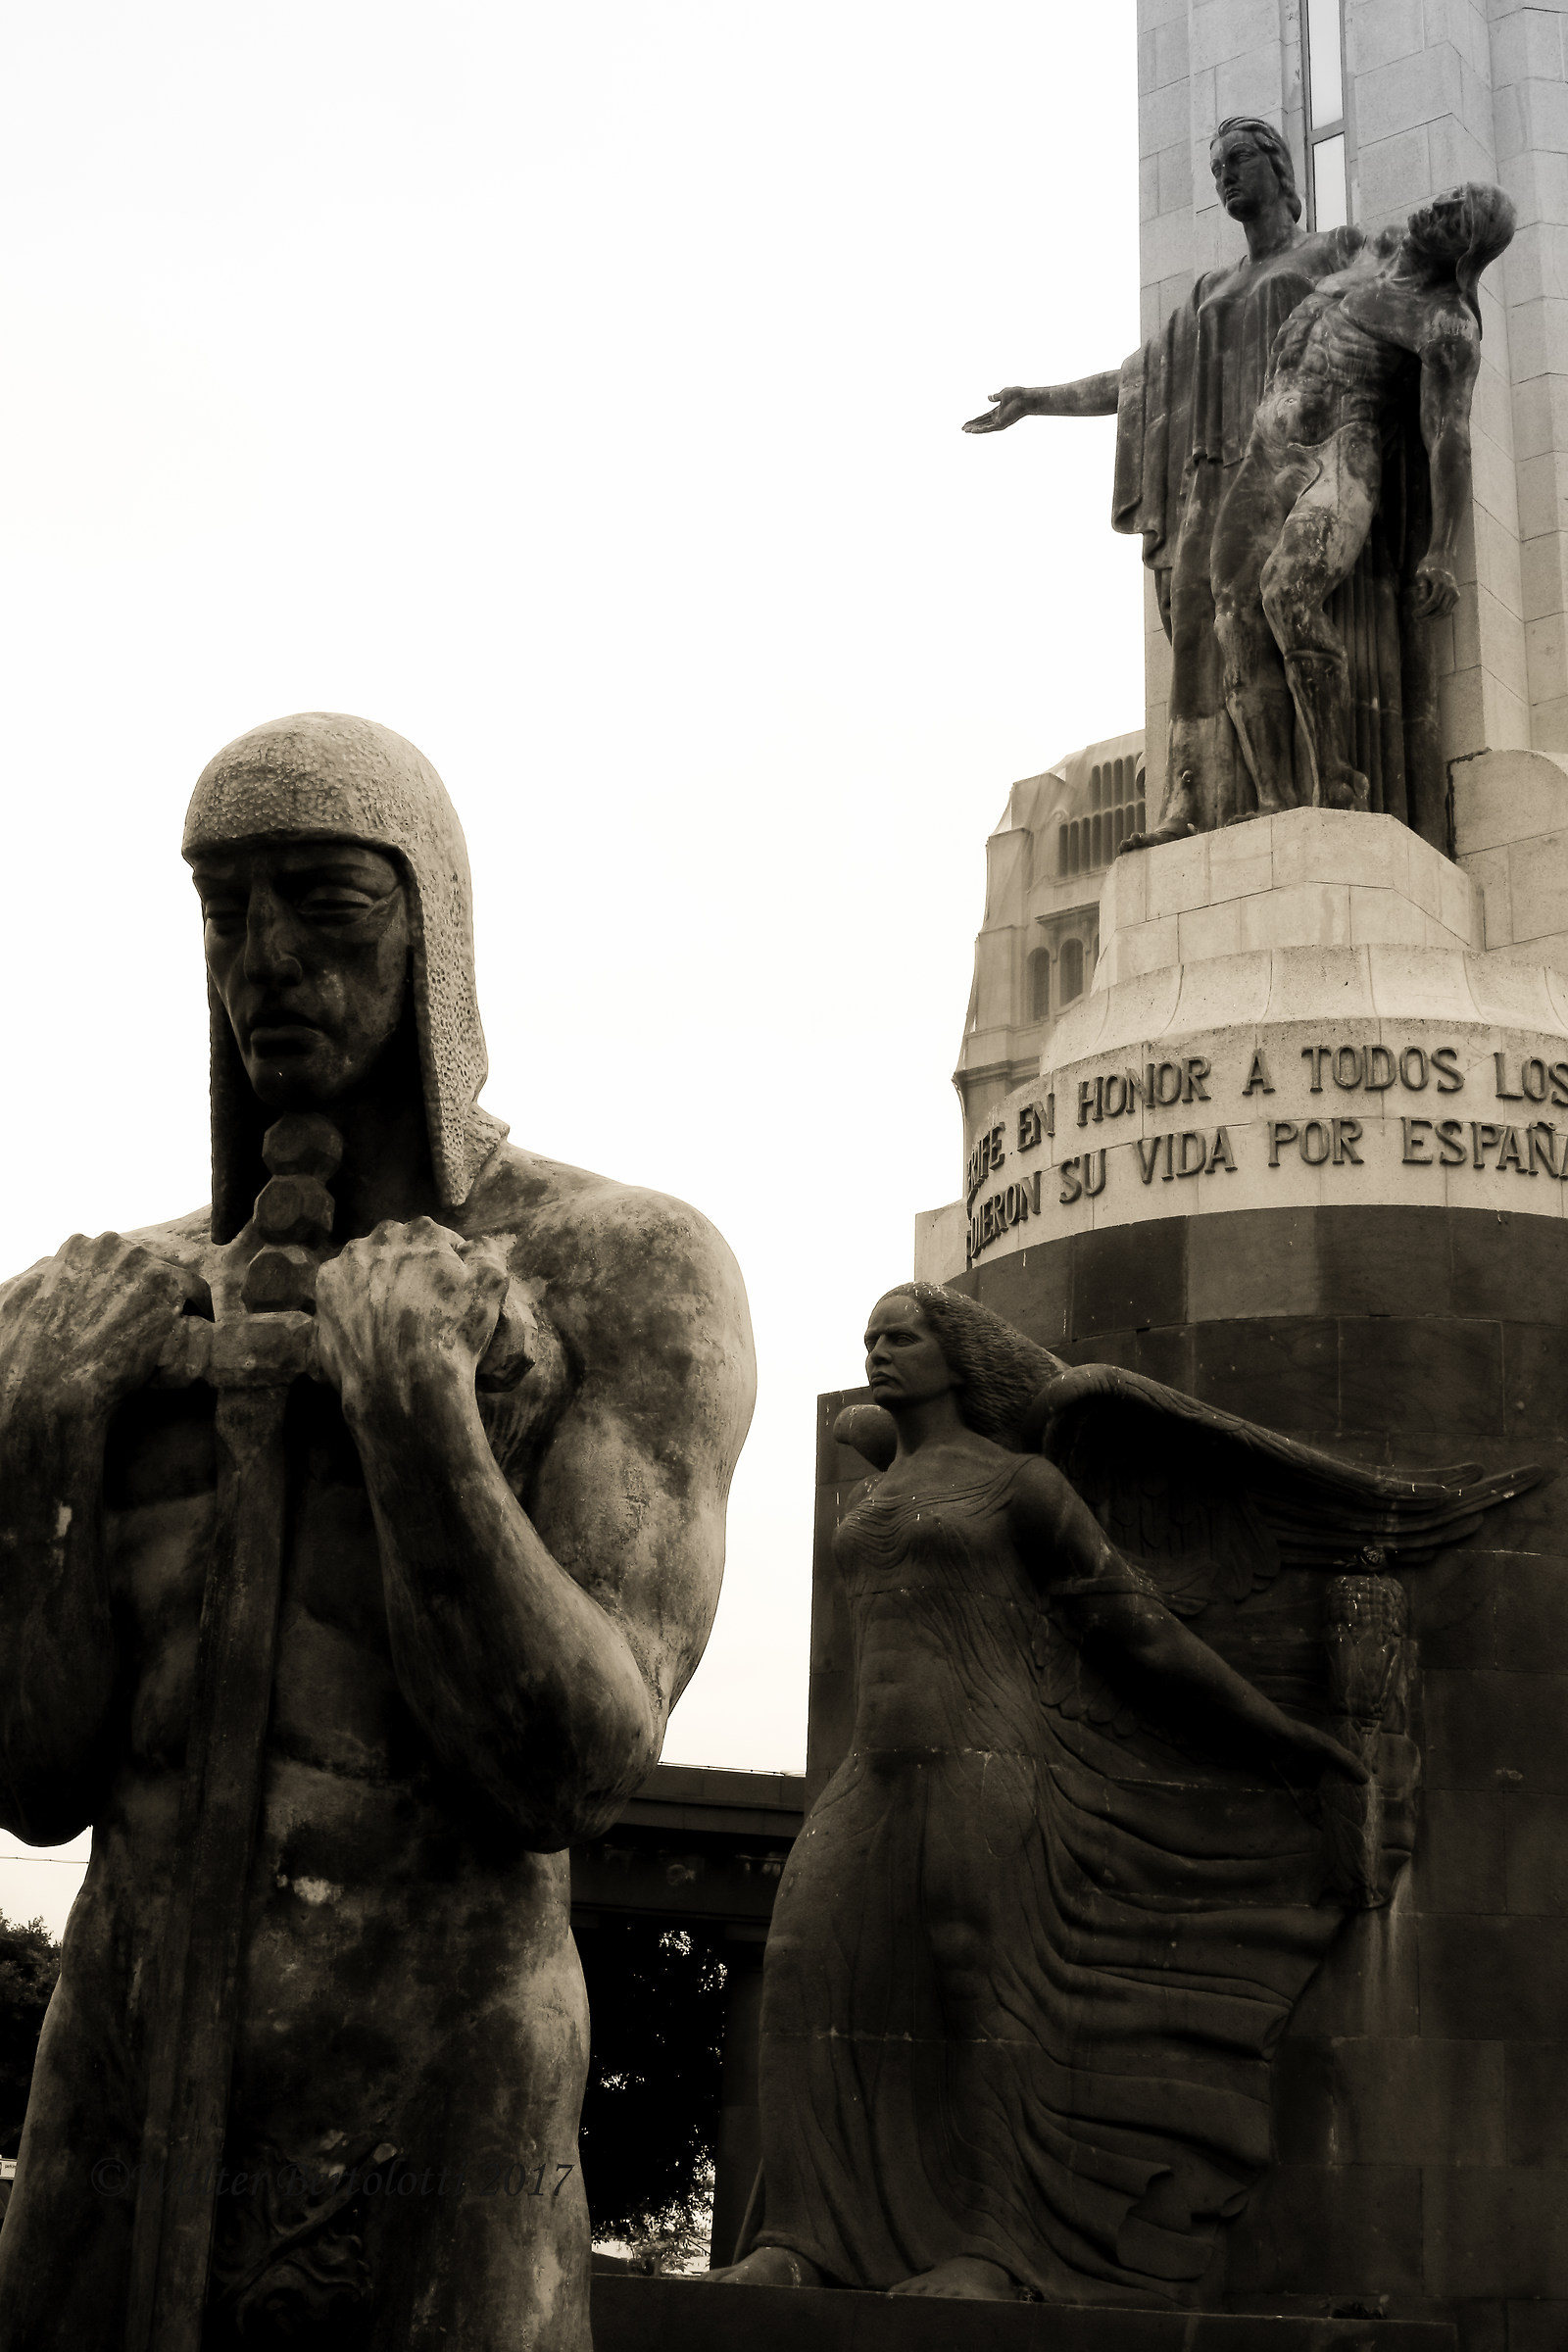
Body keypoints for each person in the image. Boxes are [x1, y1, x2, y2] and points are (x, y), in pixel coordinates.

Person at [0, 712, 755, 2350]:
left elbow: (572, 1768)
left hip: (441, 2072)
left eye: (325, 905)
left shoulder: (622, 1270)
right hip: (122, 2077)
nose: (265, 961)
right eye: (225, 911)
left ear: (435, 926)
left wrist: (421, 1423)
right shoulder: (93, 1313)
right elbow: (35, 1781)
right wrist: (41, 1440)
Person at [713, 1285, 1373, 2305]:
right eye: (870, 1339)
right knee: (805, 1971)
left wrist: (1282, 1736)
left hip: (988, 1758)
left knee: (984, 1995)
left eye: (904, 1337)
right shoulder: (880, 1481)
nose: (880, 1353)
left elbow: (1141, 1635)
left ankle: (994, 2249)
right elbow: (861, 1428)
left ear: (958, 1356)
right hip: (872, 1769)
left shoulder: (1024, 1485)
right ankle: (803, 2238)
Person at [962, 120, 1453, 843]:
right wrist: (1038, 399)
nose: (1224, 175)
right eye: (1216, 164)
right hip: (1214, 477)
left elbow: (1409, 315)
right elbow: (1136, 381)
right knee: (1197, 634)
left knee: (1282, 608)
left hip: (1303, 458)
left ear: (1279, 168)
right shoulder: (1207, 293)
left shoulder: (1334, 251)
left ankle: (1312, 786)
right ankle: (1191, 799)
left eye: (1239, 159)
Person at [1210, 183, 1515, 816]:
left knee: (1286, 593)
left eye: (1455, 214)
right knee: (1232, 609)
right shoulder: (1373, 250)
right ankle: (1272, 795)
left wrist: (1442, 552)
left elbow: (1449, 439)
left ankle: (1336, 774)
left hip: (1342, 453)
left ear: (1465, 249)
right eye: (1446, 197)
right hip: (1270, 449)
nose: (1435, 206)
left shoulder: (1445, 322)